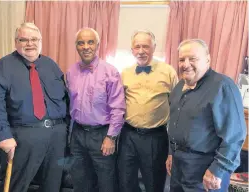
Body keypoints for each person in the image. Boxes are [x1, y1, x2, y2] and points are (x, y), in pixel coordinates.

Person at [0, 22, 69, 192]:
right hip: (23, 135)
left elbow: (66, 98)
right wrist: (3, 135)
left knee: (53, 184)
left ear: (41, 41)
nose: (30, 44)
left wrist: (66, 130)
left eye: (34, 39)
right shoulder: (3, 66)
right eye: (24, 39)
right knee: (17, 185)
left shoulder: (51, 65)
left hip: (56, 136)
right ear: (16, 42)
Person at [166, 39, 247, 191]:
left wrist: (218, 170)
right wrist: (171, 153)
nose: (186, 64)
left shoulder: (223, 87)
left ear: (208, 60)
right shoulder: (179, 87)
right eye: (182, 59)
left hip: (205, 168)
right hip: (179, 165)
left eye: (193, 58)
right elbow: (174, 124)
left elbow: (235, 136)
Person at [66, 27, 126, 192]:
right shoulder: (70, 72)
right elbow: (69, 106)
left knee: (106, 182)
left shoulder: (110, 71)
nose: (86, 46)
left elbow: (118, 108)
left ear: (98, 45)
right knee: (80, 181)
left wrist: (111, 138)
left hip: (102, 135)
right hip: (77, 134)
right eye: (81, 43)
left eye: (90, 42)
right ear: (76, 46)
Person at [118, 30, 178, 192]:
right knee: (126, 181)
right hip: (128, 135)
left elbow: (177, 108)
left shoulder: (168, 72)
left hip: (155, 137)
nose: (141, 51)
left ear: (154, 48)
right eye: (137, 47)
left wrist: (173, 147)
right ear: (132, 50)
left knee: (153, 183)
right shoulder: (124, 73)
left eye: (146, 46)